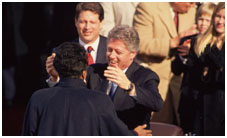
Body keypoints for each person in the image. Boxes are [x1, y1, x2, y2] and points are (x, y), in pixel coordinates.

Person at [22, 42, 152, 136]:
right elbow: (116, 133)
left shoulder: (38, 98)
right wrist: (135, 134)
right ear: (84, 73)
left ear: (57, 70)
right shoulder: (100, 100)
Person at [46, 25, 163, 130]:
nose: (112, 56)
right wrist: (55, 78)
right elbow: (70, 93)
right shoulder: (93, 71)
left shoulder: (146, 76)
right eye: (109, 50)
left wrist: (130, 87)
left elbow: (156, 103)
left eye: (118, 52)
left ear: (132, 54)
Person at [133, 2, 197, 125]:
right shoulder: (147, 7)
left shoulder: (192, 11)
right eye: (190, 1)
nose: (193, 4)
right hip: (157, 82)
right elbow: (139, 44)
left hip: (181, 84)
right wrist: (172, 42)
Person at [171, 2, 217, 134]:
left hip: (207, 101)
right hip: (187, 97)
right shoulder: (187, 40)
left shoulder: (216, 44)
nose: (203, 23)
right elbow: (176, 69)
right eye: (200, 19)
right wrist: (183, 57)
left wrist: (192, 53)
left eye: (207, 20)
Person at [179, 2, 225, 135]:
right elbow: (193, 75)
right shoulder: (199, 42)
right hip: (199, 107)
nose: (220, 21)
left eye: (224, 18)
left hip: (221, 109)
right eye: (218, 16)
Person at [46, 2, 107, 84]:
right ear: (76, 22)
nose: (87, 27)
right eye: (83, 22)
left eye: (92, 22)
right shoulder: (60, 52)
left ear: (101, 22)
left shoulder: (113, 50)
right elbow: (52, 91)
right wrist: (54, 78)